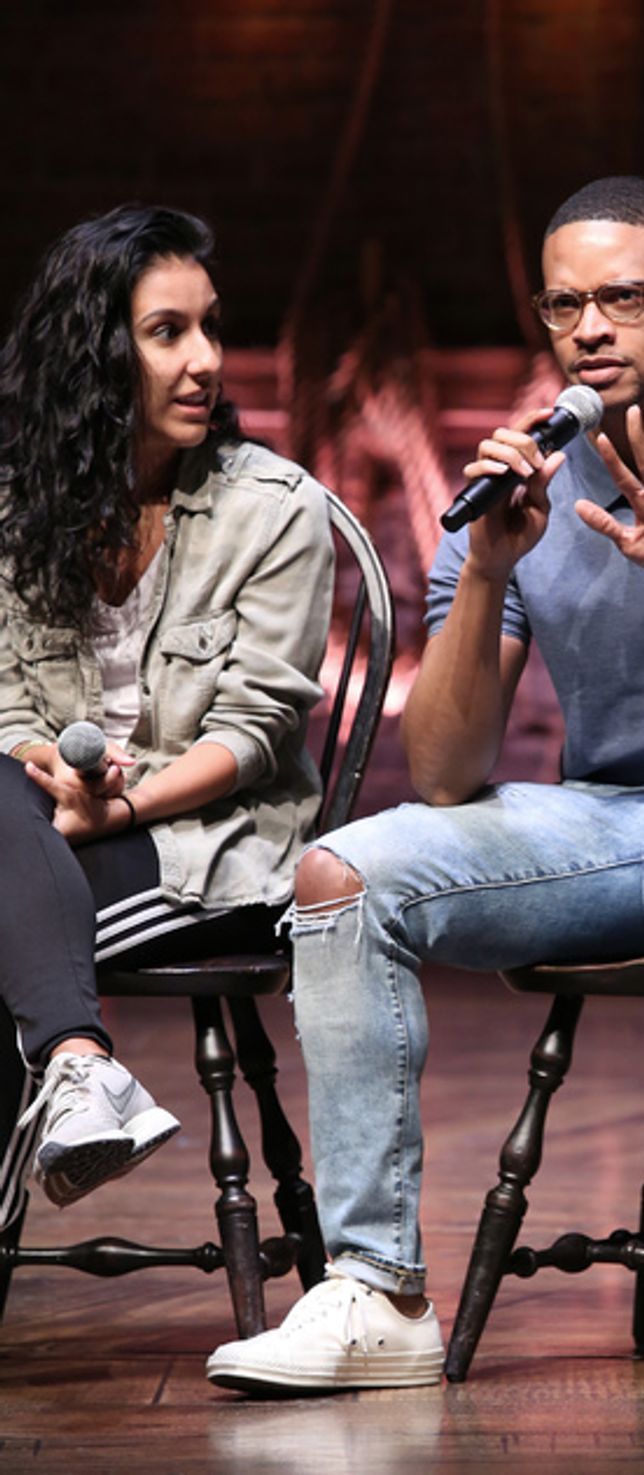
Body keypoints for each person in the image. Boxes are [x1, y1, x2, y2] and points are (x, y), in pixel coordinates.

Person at [205, 175, 644, 1406]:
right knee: (341, 874)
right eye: (562, 305)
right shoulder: (523, 475)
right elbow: (445, 771)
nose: (588, 328)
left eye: (622, 298)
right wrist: (488, 567)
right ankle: (376, 1291)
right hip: (610, 817)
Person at [0, 206, 333, 1225]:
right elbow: (7, 702)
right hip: (42, 823)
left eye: (210, 327)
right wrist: (50, 771)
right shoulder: (21, 506)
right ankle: (78, 1064)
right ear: (93, 351)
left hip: (207, 843)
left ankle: (74, 1062)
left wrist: (118, 808)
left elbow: (255, 731)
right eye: (166, 332)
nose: (206, 361)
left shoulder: (273, 507)